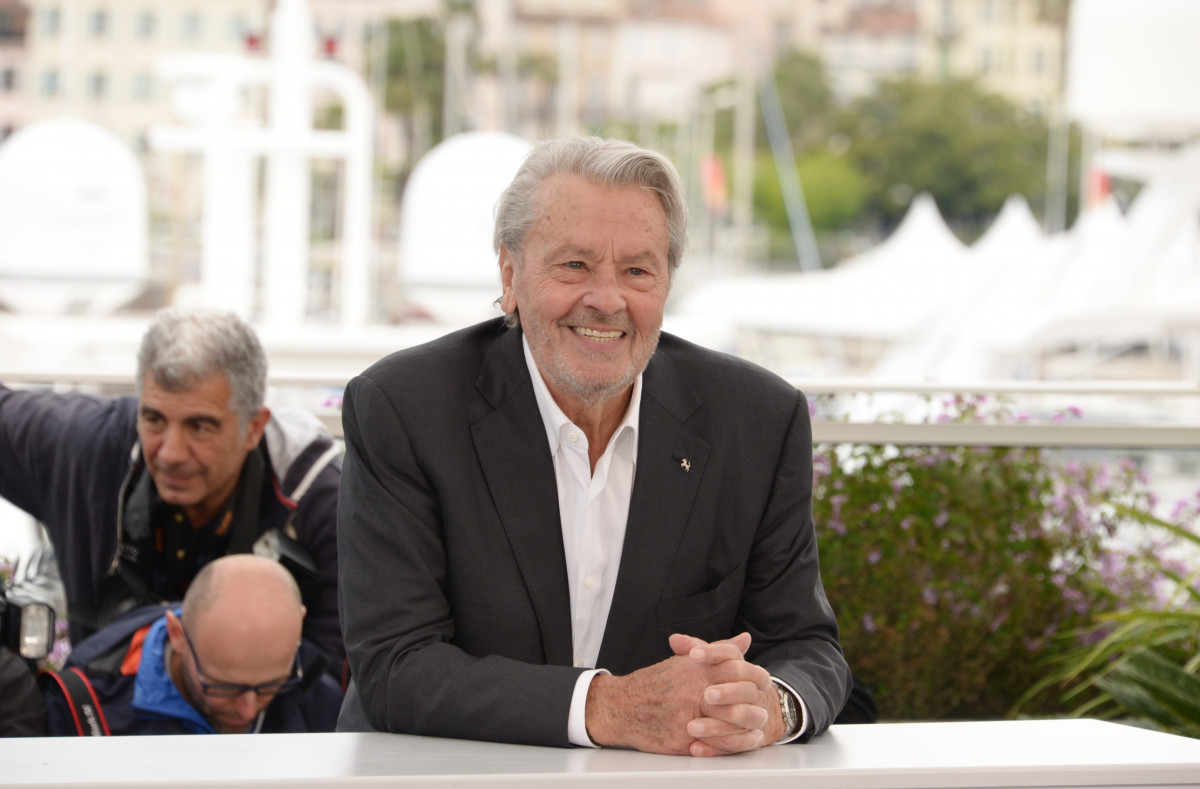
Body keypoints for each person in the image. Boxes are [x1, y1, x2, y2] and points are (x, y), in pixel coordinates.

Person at [336, 135, 852, 756]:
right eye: (575, 265)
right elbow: (396, 665)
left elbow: (806, 647)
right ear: (510, 275)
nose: (607, 300)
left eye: (637, 270)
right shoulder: (405, 407)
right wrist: (606, 708)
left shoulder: (758, 421)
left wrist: (770, 704)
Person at [0, 308, 343, 669]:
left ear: (254, 428)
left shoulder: (323, 504)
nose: (171, 453)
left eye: (199, 427)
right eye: (154, 420)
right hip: (100, 721)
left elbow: (337, 689)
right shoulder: (90, 446)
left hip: (269, 722)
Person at [42, 554, 342, 735]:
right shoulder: (81, 705)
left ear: (297, 627)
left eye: (272, 686)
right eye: (224, 686)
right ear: (178, 635)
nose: (248, 711)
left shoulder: (316, 691)